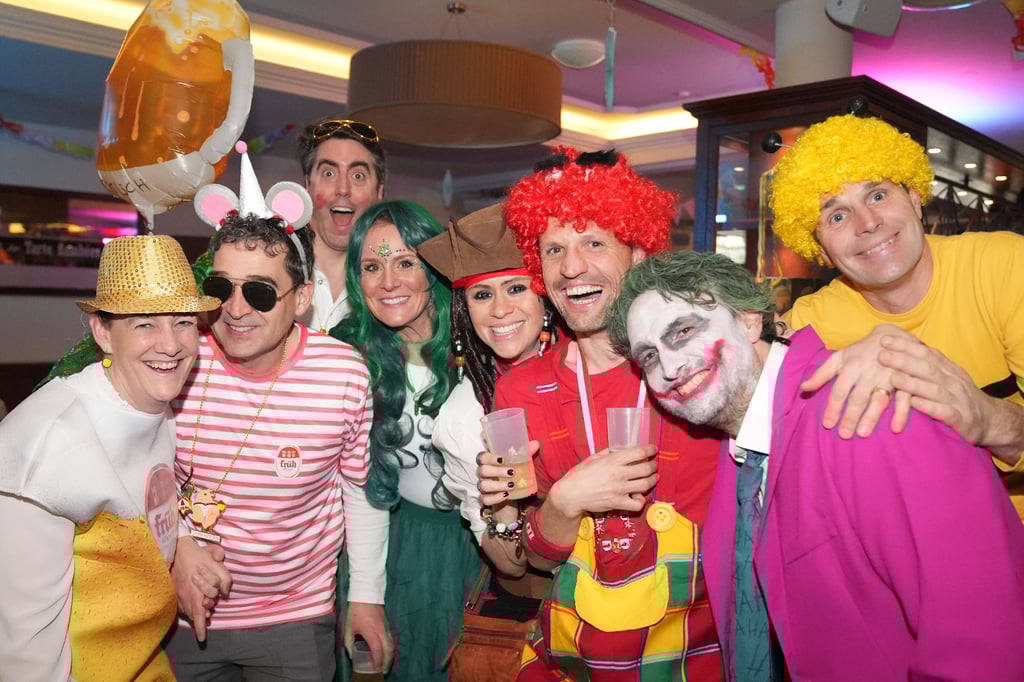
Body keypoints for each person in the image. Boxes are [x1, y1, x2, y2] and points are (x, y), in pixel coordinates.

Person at [607, 249, 1024, 680]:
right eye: (649, 356)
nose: (669, 367)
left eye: (683, 331)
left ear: (749, 320)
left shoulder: (869, 412)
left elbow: (984, 640)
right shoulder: (742, 450)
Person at [480, 148, 724, 680]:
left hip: (703, 657)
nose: (571, 267)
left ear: (637, 251)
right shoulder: (522, 389)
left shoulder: (704, 367)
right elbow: (535, 560)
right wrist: (563, 503)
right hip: (575, 660)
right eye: (554, 249)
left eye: (593, 242)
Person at [164, 148, 387, 680]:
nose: (235, 309)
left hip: (296, 620)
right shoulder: (176, 358)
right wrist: (176, 545)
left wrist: (366, 597)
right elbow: (133, 471)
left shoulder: (343, 374)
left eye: (261, 292)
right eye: (220, 288)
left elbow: (358, 489)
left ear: (302, 297)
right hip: (182, 611)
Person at [769, 114, 1024, 514]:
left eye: (877, 195)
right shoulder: (807, 327)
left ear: (915, 199)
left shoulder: (1005, 266)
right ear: (820, 250)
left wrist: (986, 418)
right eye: (837, 216)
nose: (868, 224)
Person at [0, 234, 220, 680]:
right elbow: (24, 648)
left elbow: (145, 494)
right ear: (103, 332)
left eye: (183, 322)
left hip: (148, 662)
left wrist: (182, 542)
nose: (170, 345)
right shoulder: (47, 447)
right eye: (144, 324)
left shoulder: (154, 402)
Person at [332, 200, 482, 682]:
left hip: (475, 555)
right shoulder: (347, 355)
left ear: (433, 267)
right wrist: (366, 593)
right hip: (385, 552)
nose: (388, 282)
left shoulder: (483, 341)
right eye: (372, 267)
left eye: (405, 263)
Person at [418, 202, 559, 578]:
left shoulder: (591, 365)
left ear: (544, 298)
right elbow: (511, 565)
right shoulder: (465, 415)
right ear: (466, 311)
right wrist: (502, 507)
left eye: (516, 288)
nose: (500, 309)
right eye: (482, 295)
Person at [296, 117, 386, 334]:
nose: (343, 189)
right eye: (329, 173)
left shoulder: (392, 287)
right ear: (307, 186)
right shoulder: (274, 269)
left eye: (358, 176)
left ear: (379, 192)